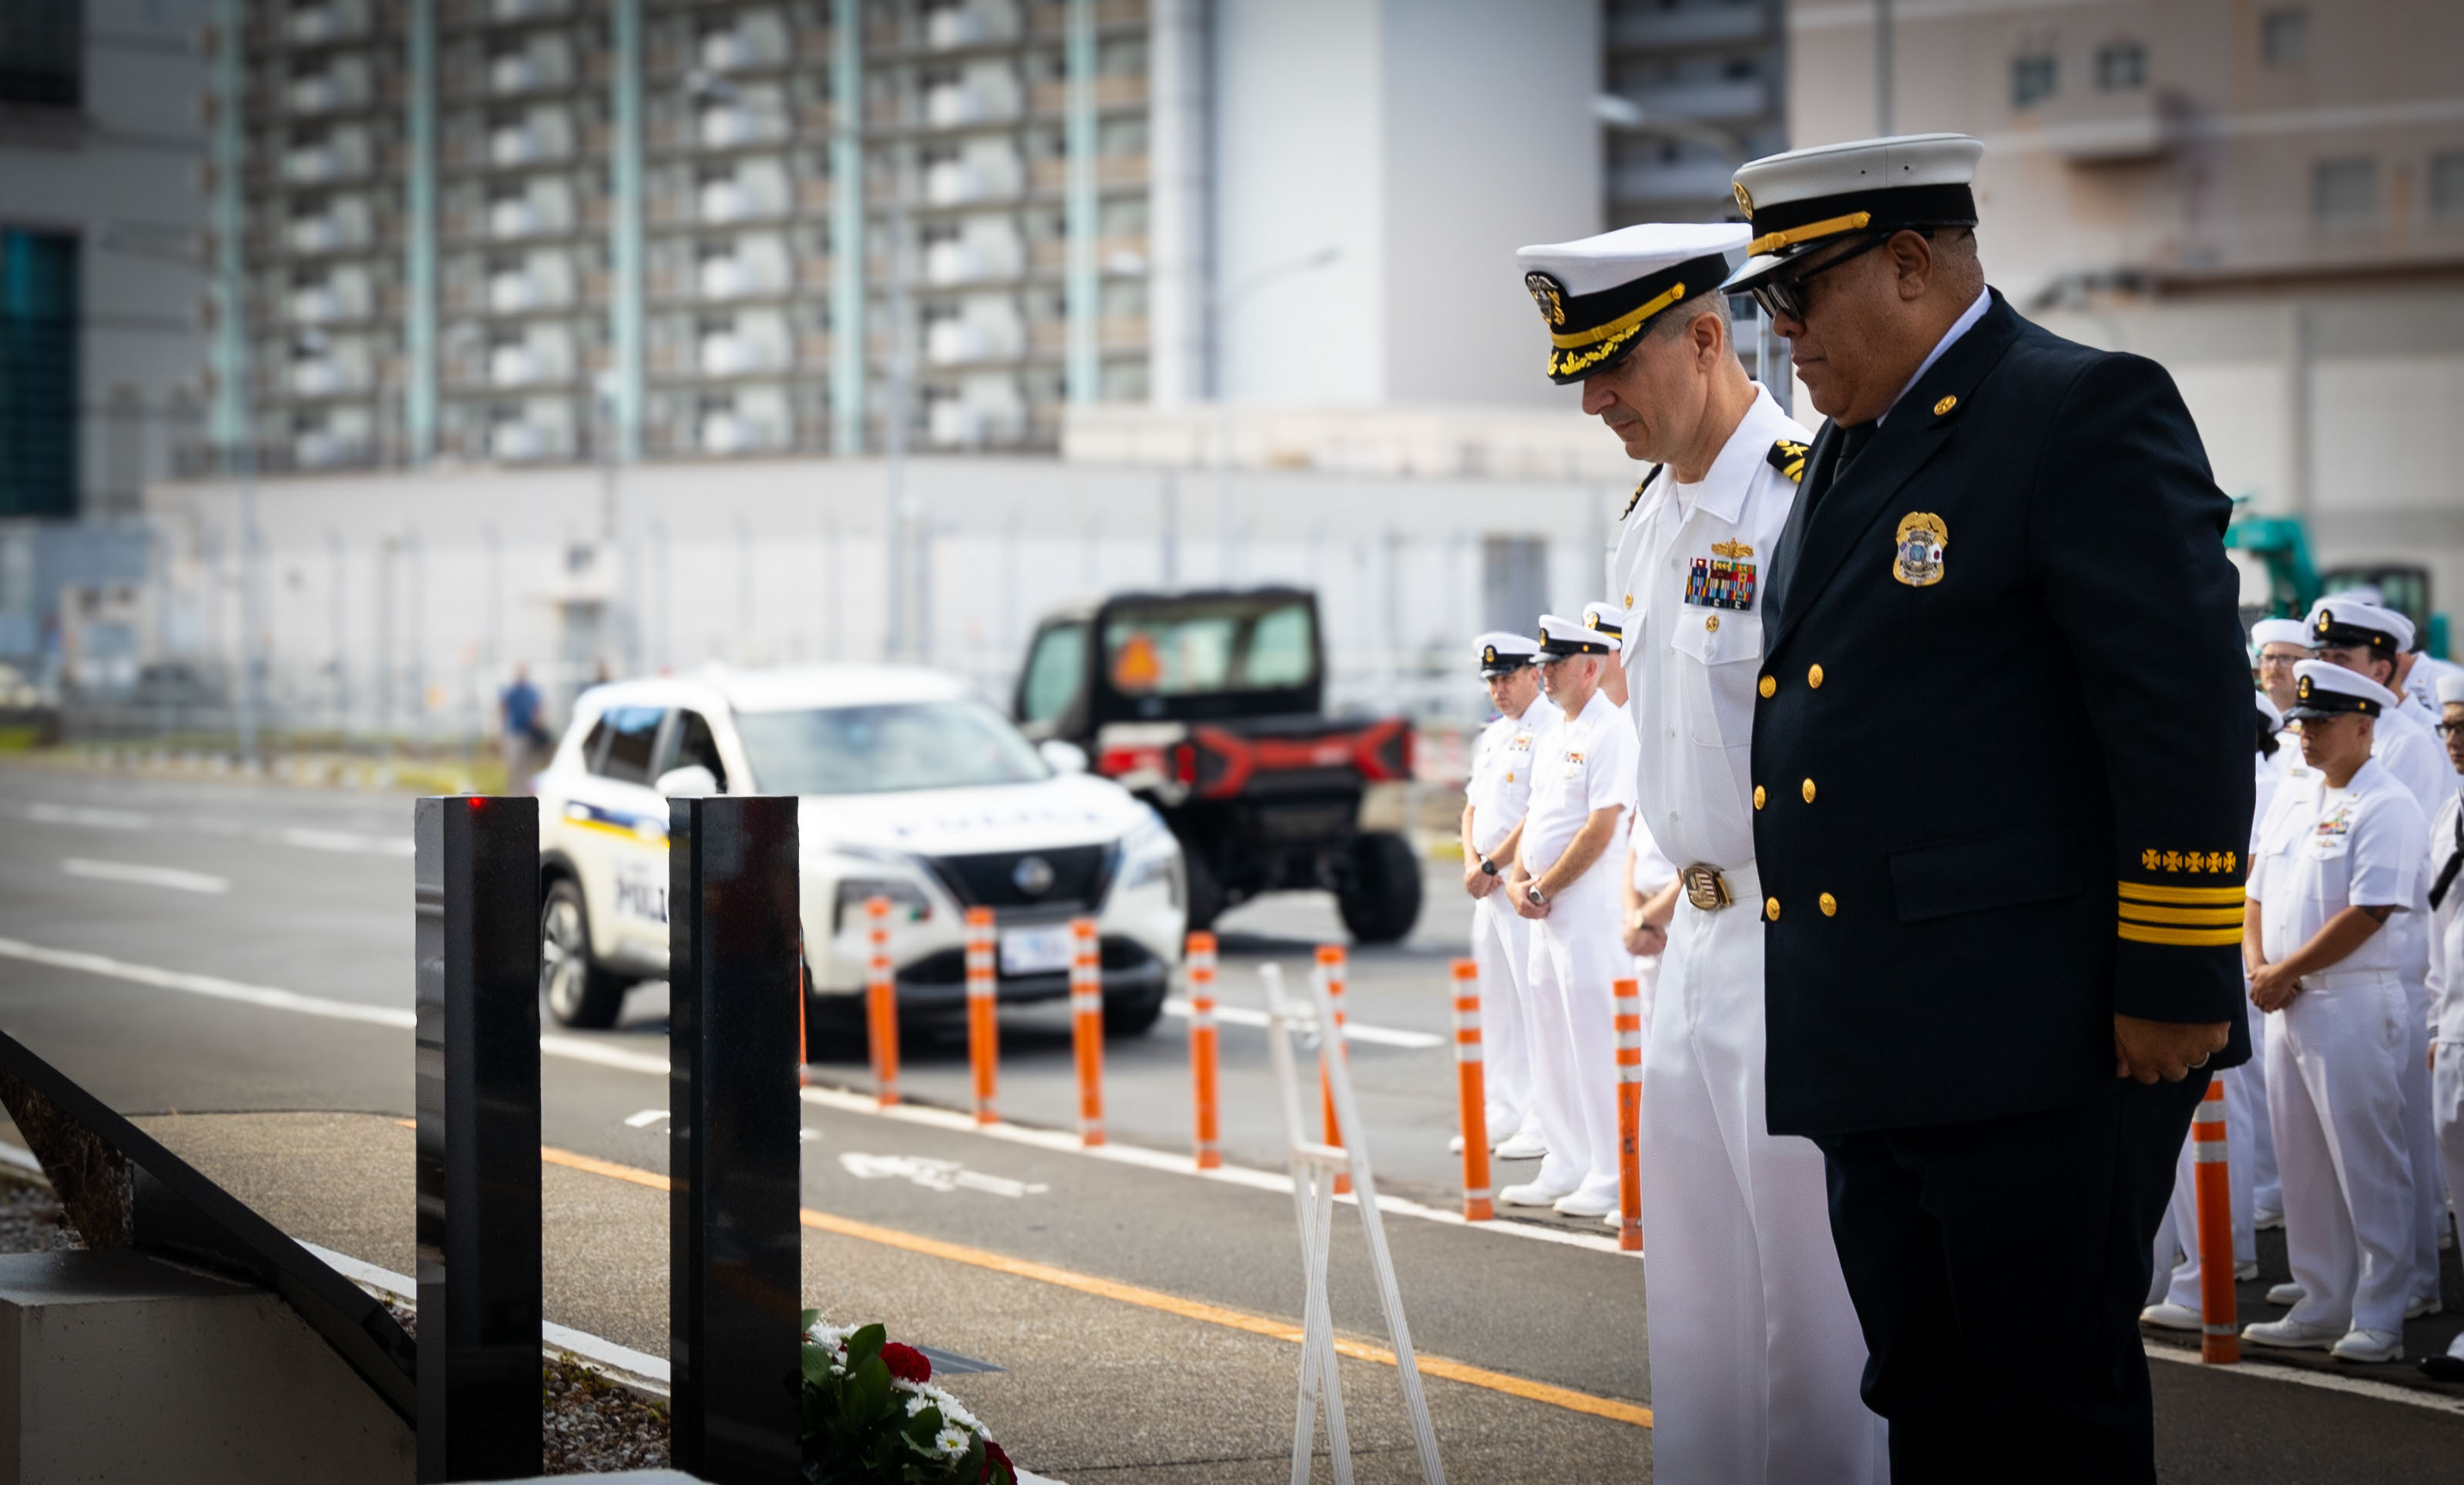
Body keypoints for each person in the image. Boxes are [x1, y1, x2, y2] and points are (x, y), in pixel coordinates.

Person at [1725, 133, 2251, 1480]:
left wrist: (2176, 969)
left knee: (2042, 1402)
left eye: (1798, 299)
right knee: (1927, 1389)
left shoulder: (2074, 411)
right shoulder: (1850, 449)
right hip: (1882, 1029)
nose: (1779, 334)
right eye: (1765, 306)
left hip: (2040, 1032)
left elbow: (2177, 707)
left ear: (1907, 265)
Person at [1513, 219, 1881, 1482]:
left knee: (1816, 1322)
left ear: (1707, 335)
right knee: (1698, 1312)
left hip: (1805, 941)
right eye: (1579, 376)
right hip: (1697, 940)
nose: (1593, 401)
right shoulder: (1650, 515)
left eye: (1610, 367)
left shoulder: (1806, 494)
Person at [2242, 661, 2429, 1362]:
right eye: (2302, 723)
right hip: (2286, 999)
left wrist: (2284, 970)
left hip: (2351, 998)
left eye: (2320, 724)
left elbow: (2372, 909)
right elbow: (2253, 891)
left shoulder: (2389, 802)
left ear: (2363, 725)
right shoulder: (2296, 794)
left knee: (2368, 1160)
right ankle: (2322, 1297)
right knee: (2303, 1162)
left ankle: (2381, 1312)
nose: (2306, 735)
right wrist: (2260, 965)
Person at [2305, 597, 2448, 1315]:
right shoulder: (2327, 754)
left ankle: (2413, 1285)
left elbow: (2414, 873)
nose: (2323, 669)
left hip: (2401, 966)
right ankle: (2356, 1284)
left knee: (2404, 1141)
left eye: (2341, 661)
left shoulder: (2407, 746)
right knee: (2373, 1141)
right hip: (2337, 975)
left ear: (2381, 669)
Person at [2140, 694, 2288, 1329]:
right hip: (2233, 964)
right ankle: (2183, 1271)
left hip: (2226, 967)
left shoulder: (2262, 787)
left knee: (2221, 1119)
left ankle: (2217, 1269)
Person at [1494, 614, 1636, 1218]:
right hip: (1542, 908)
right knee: (1550, 1036)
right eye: (1543, 667)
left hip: (1585, 908)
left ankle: (1612, 1168)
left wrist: (1542, 884)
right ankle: (1566, 1158)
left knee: (1594, 1036)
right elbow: (1537, 815)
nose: (1543, 677)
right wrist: (1519, 880)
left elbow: (1601, 826)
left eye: (1554, 667)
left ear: (1589, 667)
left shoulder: (1612, 731)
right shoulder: (1556, 733)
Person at [1458, 631, 1555, 1156]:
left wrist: (1494, 863)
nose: (1498, 689)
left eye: (1506, 677)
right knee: (1495, 997)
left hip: (1516, 882)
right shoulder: (1493, 736)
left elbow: (1538, 810)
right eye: (1491, 680)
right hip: (1486, 886)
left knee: (1533, 1000)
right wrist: (1473, 863)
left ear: (1533, 674)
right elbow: (1474, 806)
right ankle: (1504, 1105)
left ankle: (1543, 1116)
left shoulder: (1550, 729)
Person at [2422, 672, 2464, 1382]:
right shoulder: (2447, 810)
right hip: (2456, 1030)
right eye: (2448, 728)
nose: (2454, 740)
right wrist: (2436, 1020)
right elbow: (2438, 929)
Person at [2253, 617, 2311, 780]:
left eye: (2286, 658)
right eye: (2268, 658)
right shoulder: (2251, 720)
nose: (2274, 667)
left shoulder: (2314, 726)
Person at [500, 664, 547, 781]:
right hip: (515, 731)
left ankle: (526, 792)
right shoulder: (511, 691)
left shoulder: (531, 691)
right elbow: (504, 708)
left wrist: (538, 722)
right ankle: (514, 793)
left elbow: (538, 708)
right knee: (515, 765)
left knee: (528, 765)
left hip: (529, 732)